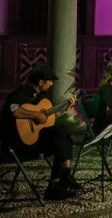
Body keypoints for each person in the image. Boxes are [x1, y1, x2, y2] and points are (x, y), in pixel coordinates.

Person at [0, 65, 81, 199]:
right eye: (50, 81)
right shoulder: (20, 94)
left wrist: (65, 109)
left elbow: (48, 119)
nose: (52, 84)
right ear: (41, 82)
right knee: (59, 139)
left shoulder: (39, 98)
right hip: (18, 145)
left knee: (61, 136)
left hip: (34, 141)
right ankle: (59, 182)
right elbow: (14, 111)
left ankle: (61, 180)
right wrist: (35, 114)